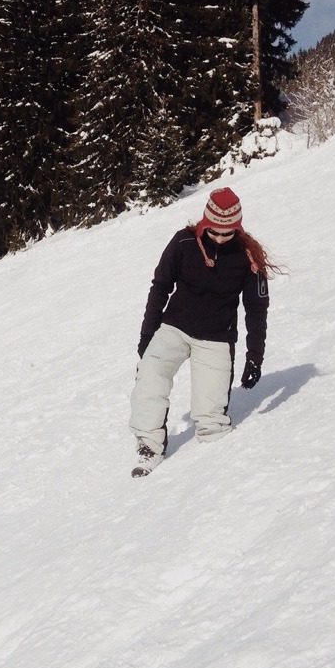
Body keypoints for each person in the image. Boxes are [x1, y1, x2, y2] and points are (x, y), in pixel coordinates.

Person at [129, 186, 275, 477]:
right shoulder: (183, 242)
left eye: (227, 233)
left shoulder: (249, 256)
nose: (220, 238)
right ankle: (149, 445)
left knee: (211, 420)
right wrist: (147, 336)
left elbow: (256, 309)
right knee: (150, 376)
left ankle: (210, 476)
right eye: (214, 231)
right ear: (205, 222)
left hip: (216, 338)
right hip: (174, 328)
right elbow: (160, 287)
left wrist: (254, 357)